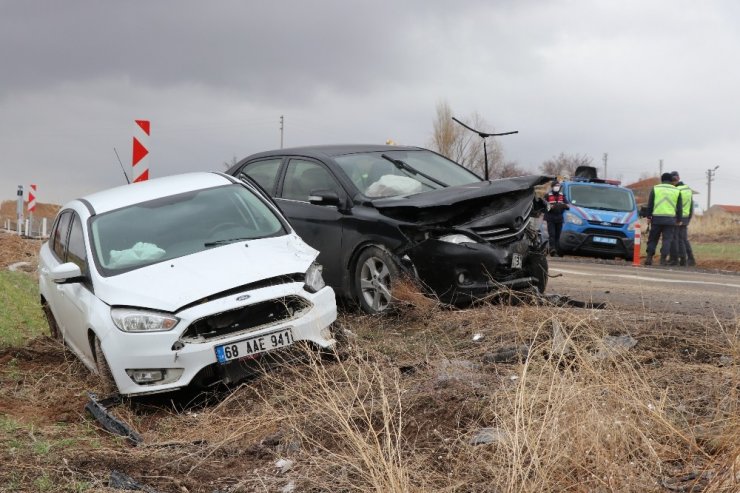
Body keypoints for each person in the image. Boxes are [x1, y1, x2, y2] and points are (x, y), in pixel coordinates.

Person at [644, 172, 683, 266]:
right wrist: (679, 219)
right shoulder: (677, 191)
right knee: (667, 240)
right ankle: (663, 260)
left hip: (657, 219)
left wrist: (648, 217)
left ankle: (649, 258)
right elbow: (679, 207)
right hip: (670, 220)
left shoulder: (656, 188)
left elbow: (650, 204)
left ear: (662, 180)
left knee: (653, 239)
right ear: (671, 180)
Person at [669, 171, 696, 266]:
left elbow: (676, 206)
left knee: (676, 238)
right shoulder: (687, 189)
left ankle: (678, 259)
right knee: (683, 239)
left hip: (677, 217)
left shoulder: (676, 190)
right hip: (686, 217)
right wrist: (688, 218)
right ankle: (690, 259)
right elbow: (691, 205)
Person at [545, 180, 569, 256]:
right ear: (552, 187)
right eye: (555, 186)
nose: (557, 187)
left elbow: (568, 206)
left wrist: (562, 206)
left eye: (558, 186)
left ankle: (557, 250)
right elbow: (544, 206)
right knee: (552, 235)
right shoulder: (547, 195)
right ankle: (552, 249)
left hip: (559, 219)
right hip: (550, 218)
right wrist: (551, 207)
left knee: (558, 235)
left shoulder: (562, 195)